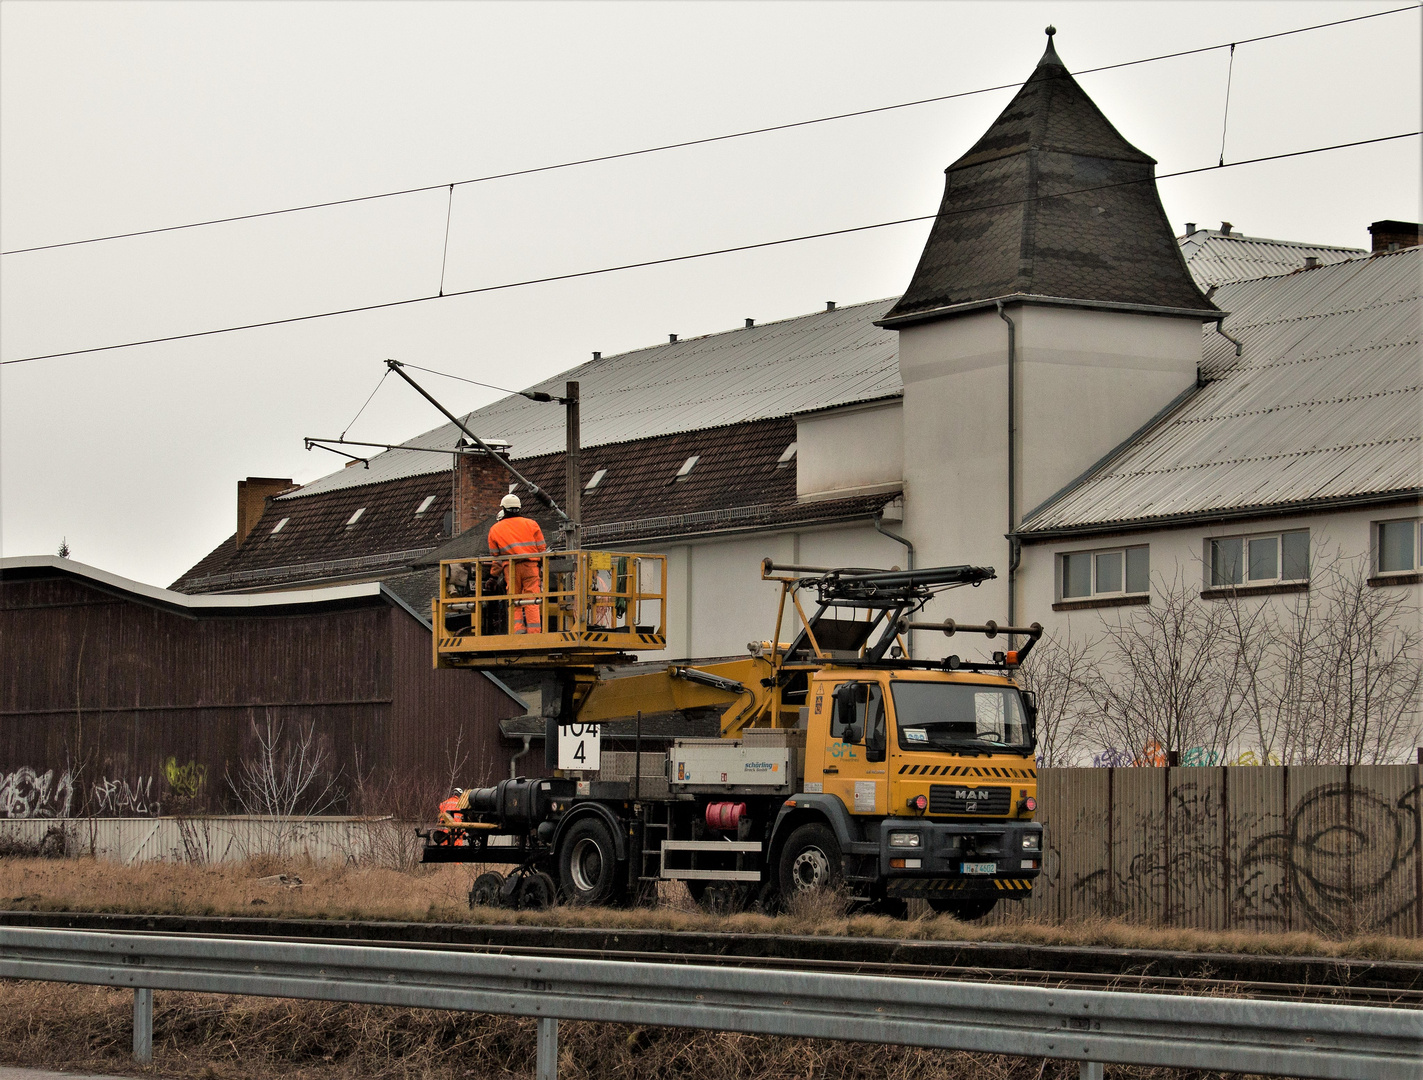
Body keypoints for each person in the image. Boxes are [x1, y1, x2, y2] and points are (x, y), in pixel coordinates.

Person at [487, 494, 547, 634]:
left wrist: (493, 577)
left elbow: (497, 558)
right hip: (531, 567)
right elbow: (542, 550)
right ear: (519, 508)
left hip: (511, 568)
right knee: (531, 599)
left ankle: (518, 630)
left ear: (504, 509)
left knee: (514, 599)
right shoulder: (531, 524)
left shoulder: (495, 529)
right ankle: (534, 632)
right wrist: (542, 567)